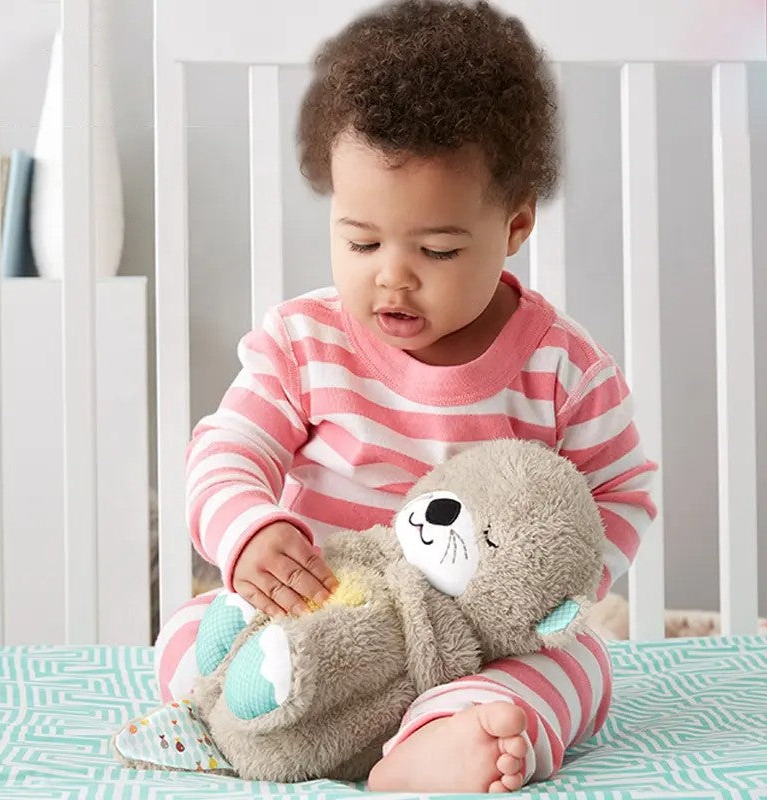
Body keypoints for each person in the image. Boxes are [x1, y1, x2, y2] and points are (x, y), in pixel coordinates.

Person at [156, 0, 658, 792]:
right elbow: (226, 450)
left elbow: (621, 489)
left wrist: (539, 592)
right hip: (324, 618)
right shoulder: (304, 342)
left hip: (477, 640)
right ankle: (263, 708)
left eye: (437, 249)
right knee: (189, 628)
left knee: (582, 666)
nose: (392, 274)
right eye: (361, 241)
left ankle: (447, 739)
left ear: (515, 225)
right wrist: (250, 533)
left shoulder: (563, 369)